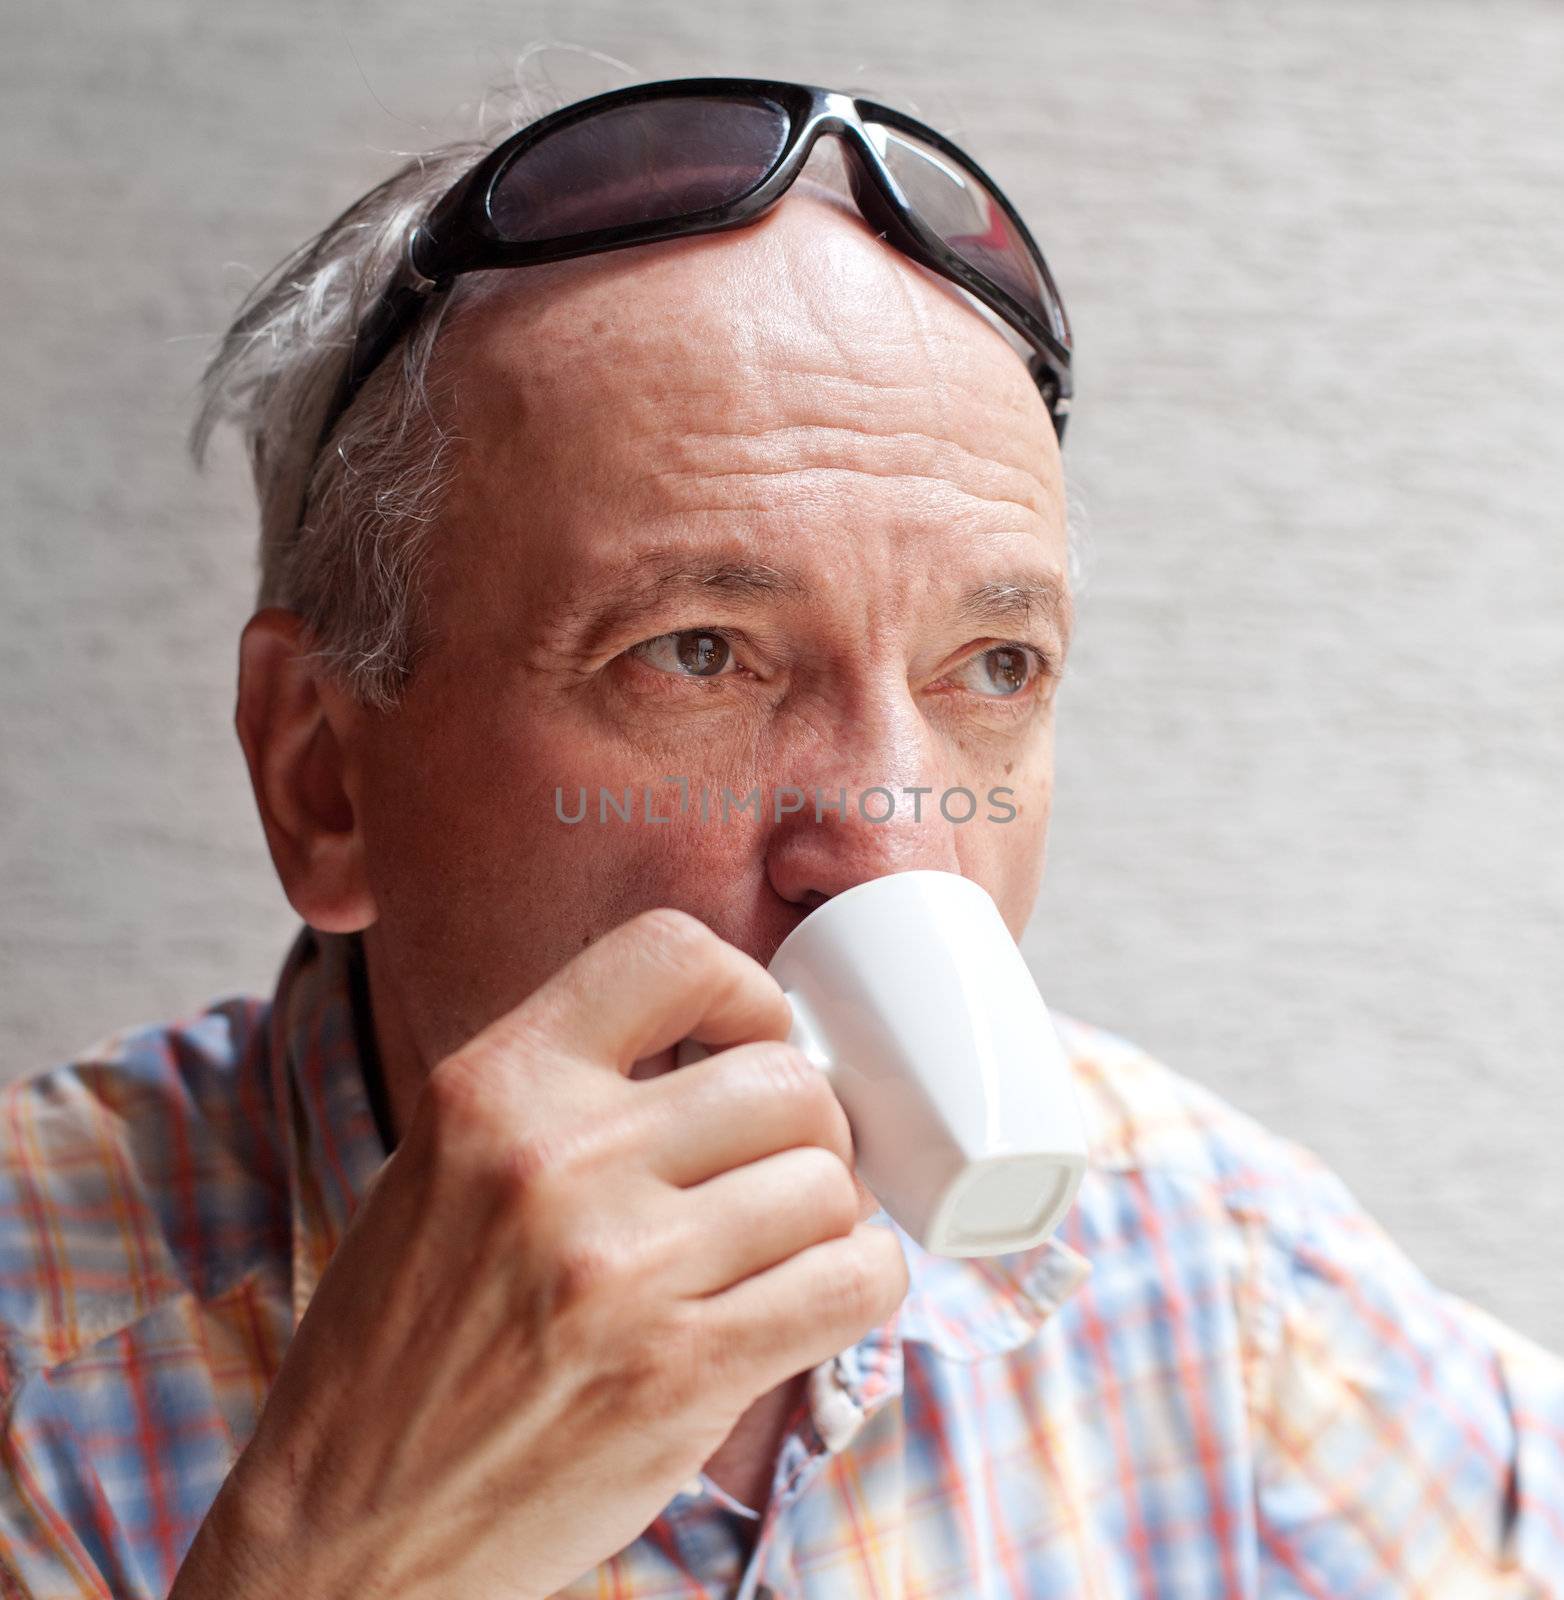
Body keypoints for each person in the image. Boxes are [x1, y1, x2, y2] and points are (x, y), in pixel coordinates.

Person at [2, 70, 1560, 1600]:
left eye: (992, 668)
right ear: (321, 776)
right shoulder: (41, 1355)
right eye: (697, 653)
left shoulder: (1199, 1264)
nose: (896, 847)